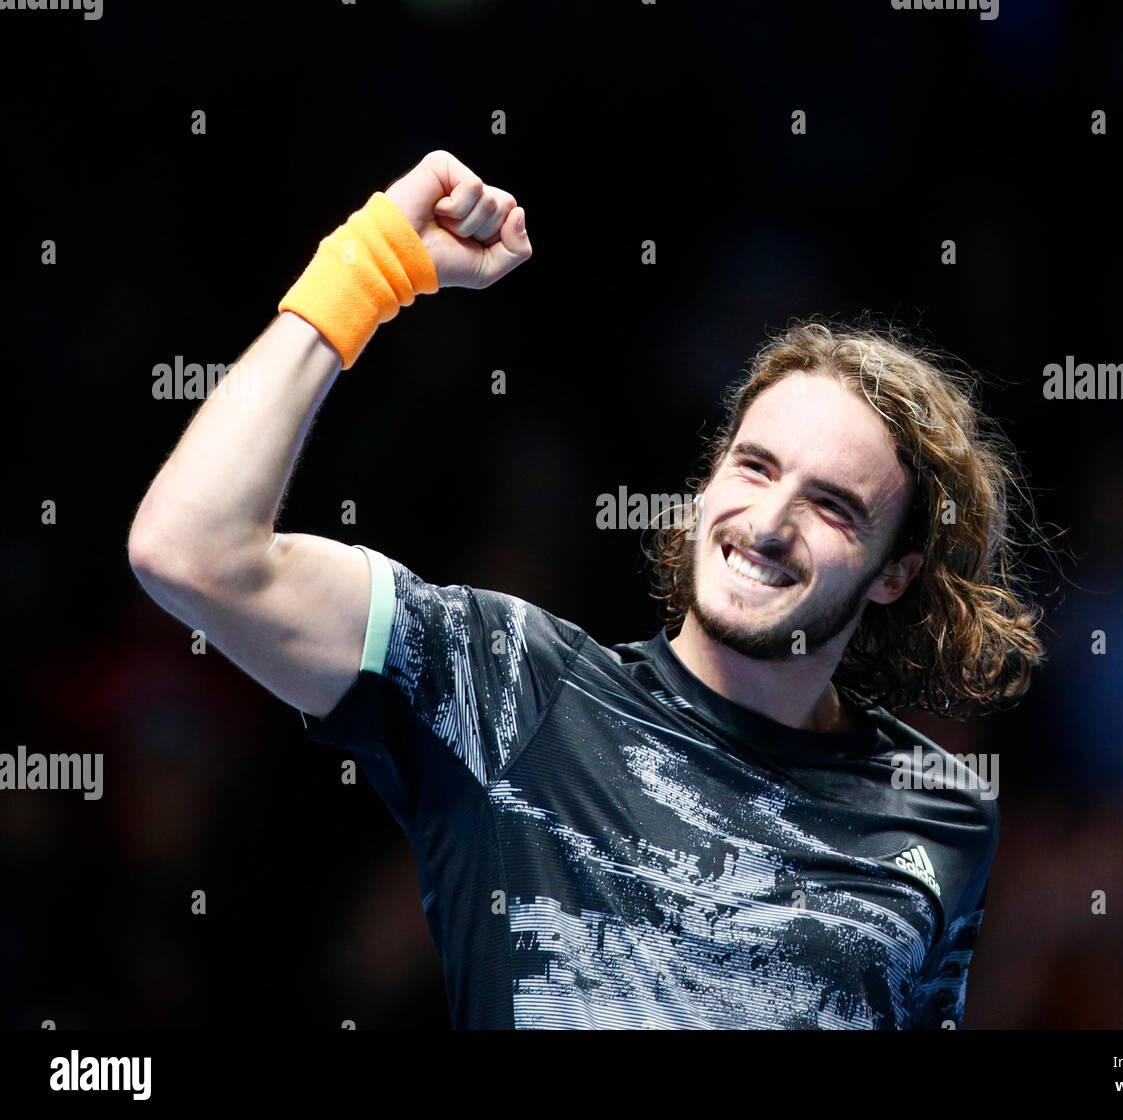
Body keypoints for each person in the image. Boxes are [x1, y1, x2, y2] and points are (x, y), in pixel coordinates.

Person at [128, 149, 1044, 1029]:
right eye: (755, 467)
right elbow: (193, 549)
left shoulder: (941, 813)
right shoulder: (511, 688)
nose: (769, 522)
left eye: (832, 506)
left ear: (895, 574)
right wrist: (368, 264)